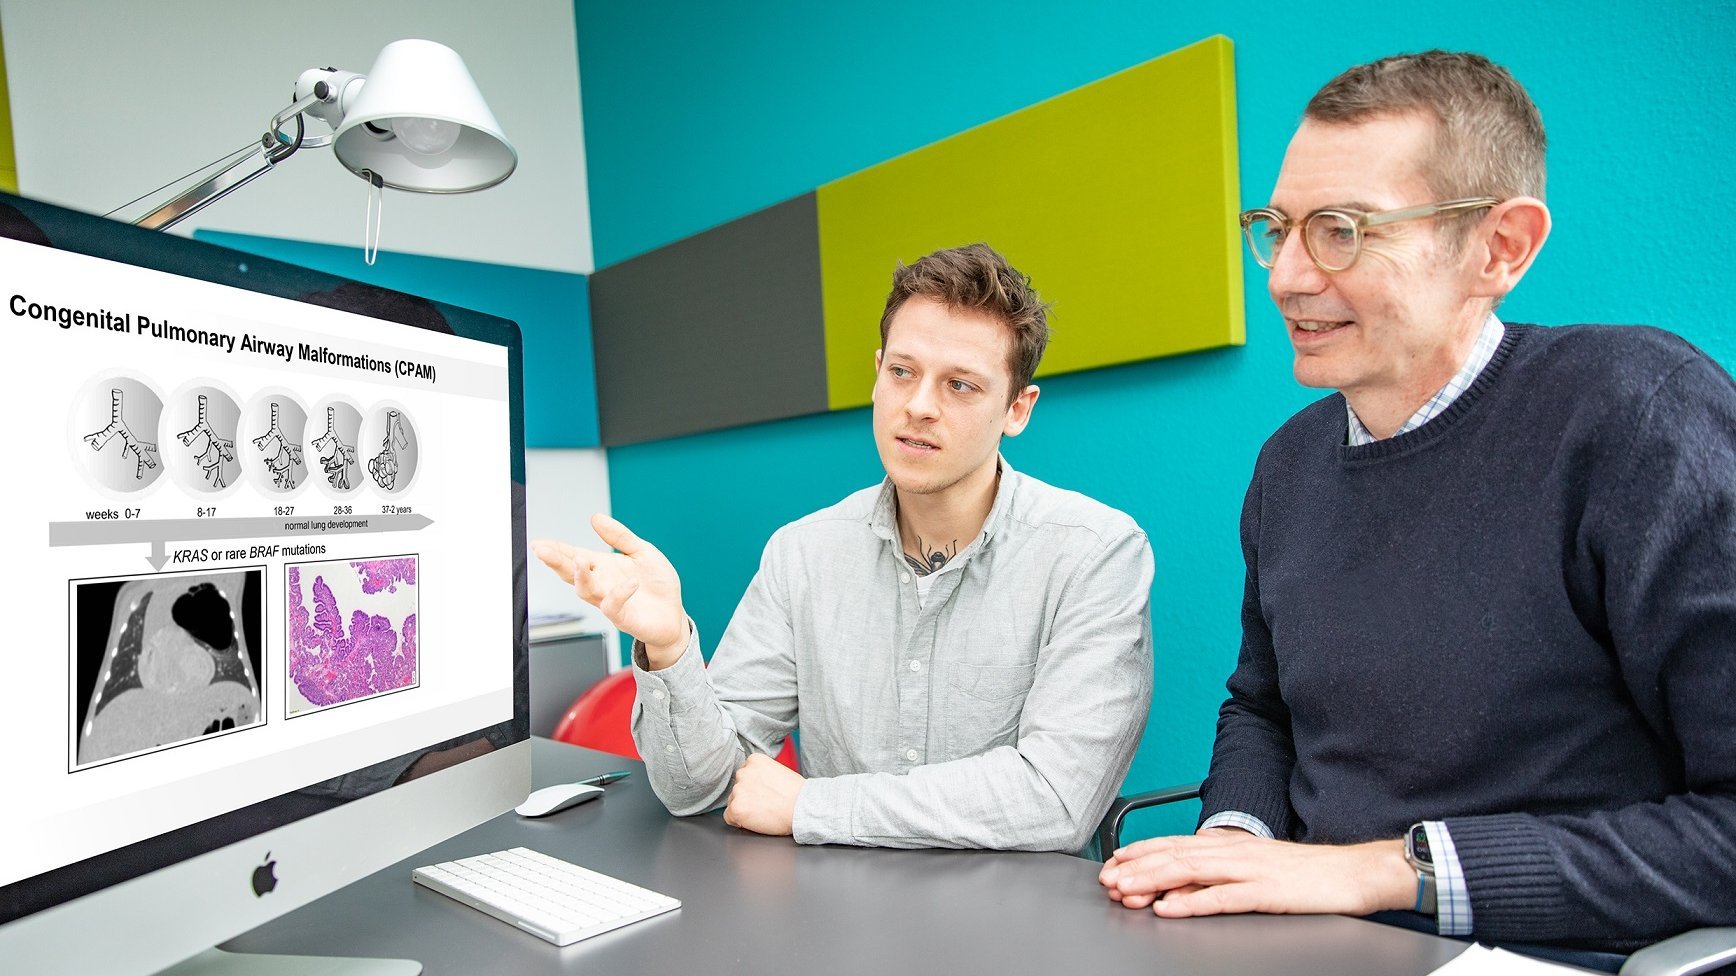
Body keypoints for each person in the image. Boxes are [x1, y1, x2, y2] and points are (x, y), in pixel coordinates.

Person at [1098, 50, 1736, 959]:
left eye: (1342, 230)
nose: (1284, 277)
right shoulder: (1290, 464)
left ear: (1499, 248)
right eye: (1277, 228)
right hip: (1309, 933)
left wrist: (1379, 870)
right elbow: (1263, 708)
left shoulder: (1639, 416)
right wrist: (1237, 838)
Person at [536, 243, 1153, 852]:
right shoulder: (802, 554)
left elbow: (1055, 800)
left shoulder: (1095, 553)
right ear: (878, 371)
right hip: (836, 916)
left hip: (1021, 924)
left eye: (960, 385)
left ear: (1017, 408)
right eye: (902, 372)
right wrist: (668, 649)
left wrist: (810, 805)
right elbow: (699, 788)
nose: (917, 406)